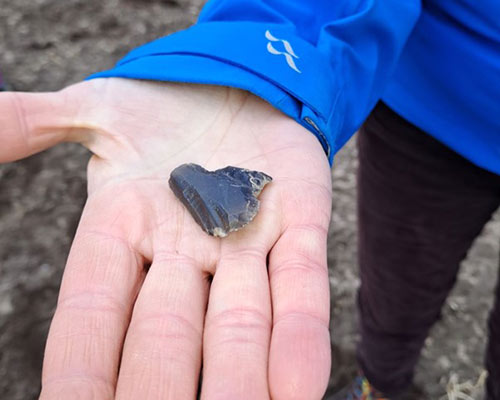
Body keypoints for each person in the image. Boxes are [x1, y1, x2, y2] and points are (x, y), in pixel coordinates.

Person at [0, 1, 498, 399]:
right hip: (434, 110)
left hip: (429, 102)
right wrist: (259, 61)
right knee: (399, 282)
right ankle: (381, 382)